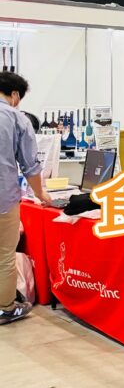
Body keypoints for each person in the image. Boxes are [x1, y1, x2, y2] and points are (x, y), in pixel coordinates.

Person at [0, 72, 51, 325]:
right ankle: (6, 308)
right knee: (4, 256)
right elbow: (30, 165)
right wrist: (41, 194)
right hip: (3, 199)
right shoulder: (16, 118)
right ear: (15, 95)